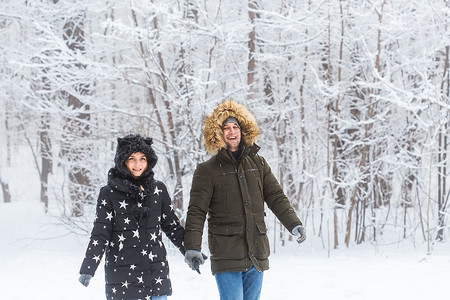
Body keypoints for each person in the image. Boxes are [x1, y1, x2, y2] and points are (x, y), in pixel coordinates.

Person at [183, 100, 306, 300]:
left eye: (235, 127)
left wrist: (294, 224)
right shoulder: (207, 171)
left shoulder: (258, 163)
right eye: (226, 128)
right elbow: (197, 211)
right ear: (218, 133)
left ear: (243, 130)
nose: (232, 132)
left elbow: (275, 196)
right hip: (226, 252)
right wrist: (192, 247)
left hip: (256, 251)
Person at [78, 134, 185, 300]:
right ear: (123, 161)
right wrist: (88, 268)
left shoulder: (158, 190)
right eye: (132, 159)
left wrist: (190, 250)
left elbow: (172, 226)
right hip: (123, 277)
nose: (138, 164)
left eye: (142, 158)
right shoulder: (108, 193)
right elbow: (100, 233)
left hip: (155, 272)